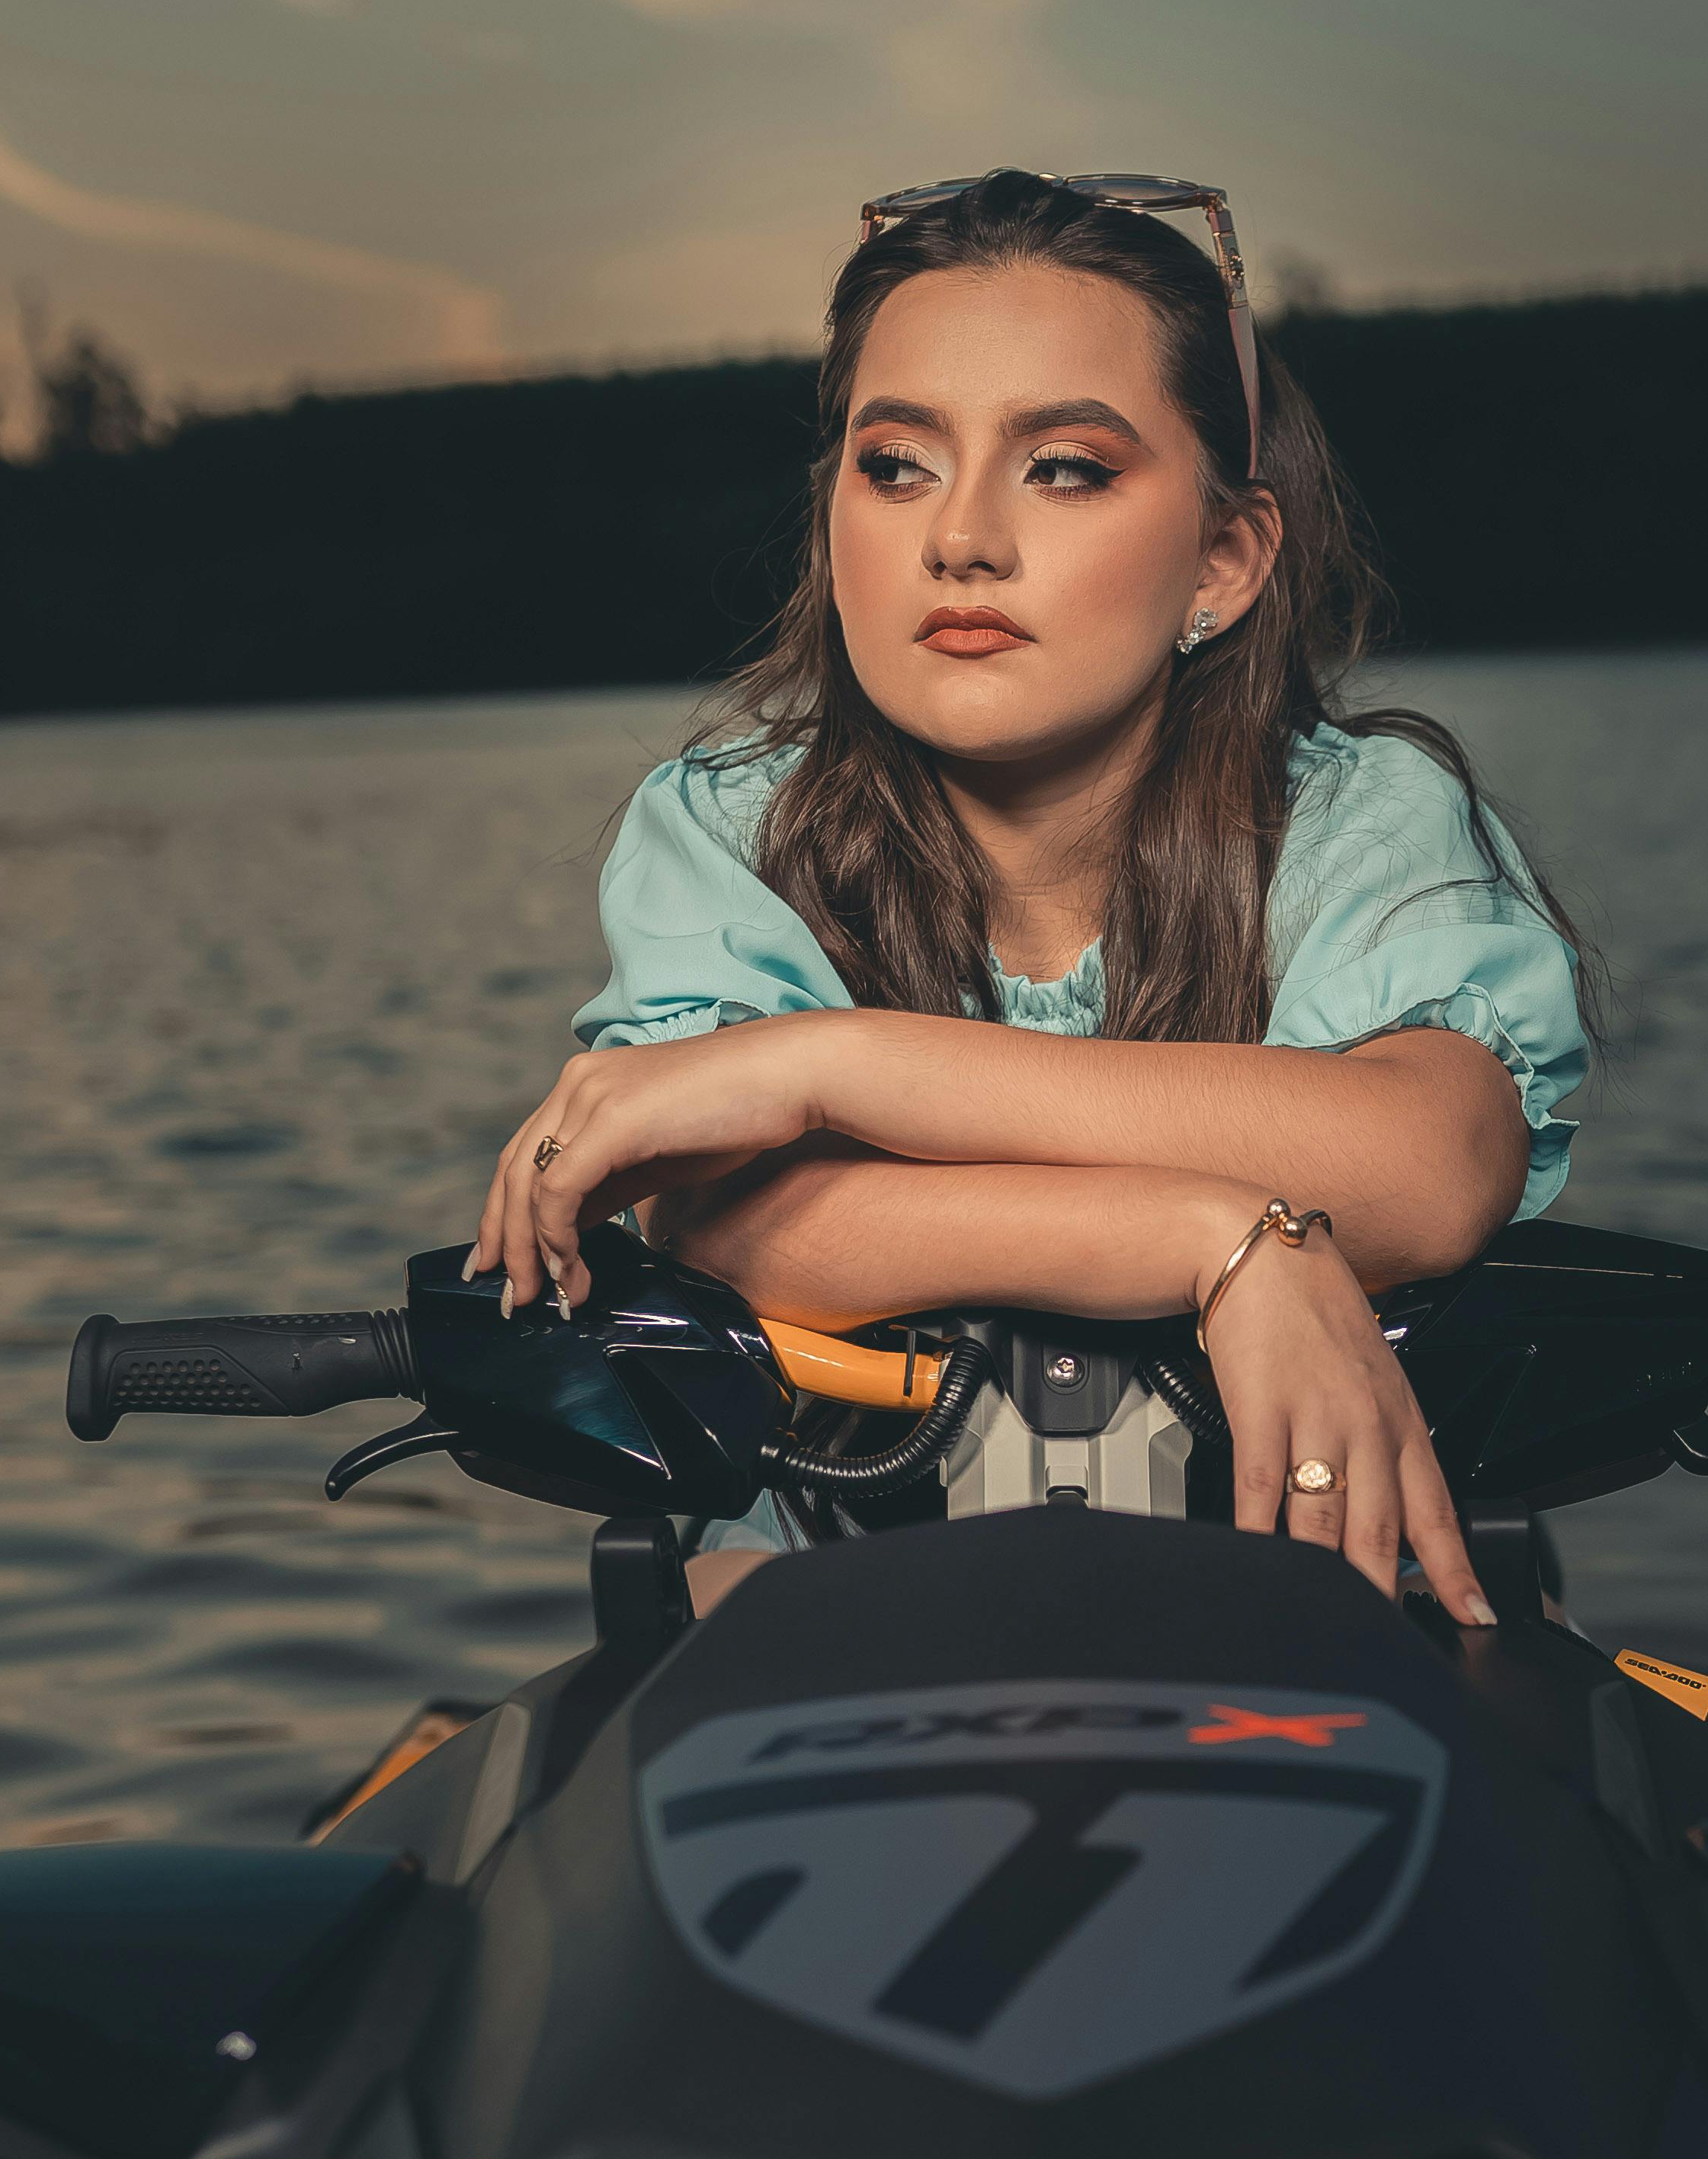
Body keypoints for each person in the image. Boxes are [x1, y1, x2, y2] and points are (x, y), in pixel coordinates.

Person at [475, 168, 1593, 1620]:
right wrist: (1220, 1238)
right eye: (897, 464)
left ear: (1223, 558)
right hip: (822, 1622)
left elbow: (1430, 1169)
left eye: (1063, 465)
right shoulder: (734, 830)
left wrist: (823, 1068)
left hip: (1299, 1630)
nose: (961, 540)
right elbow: (737, 1233)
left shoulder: (1354, 819)